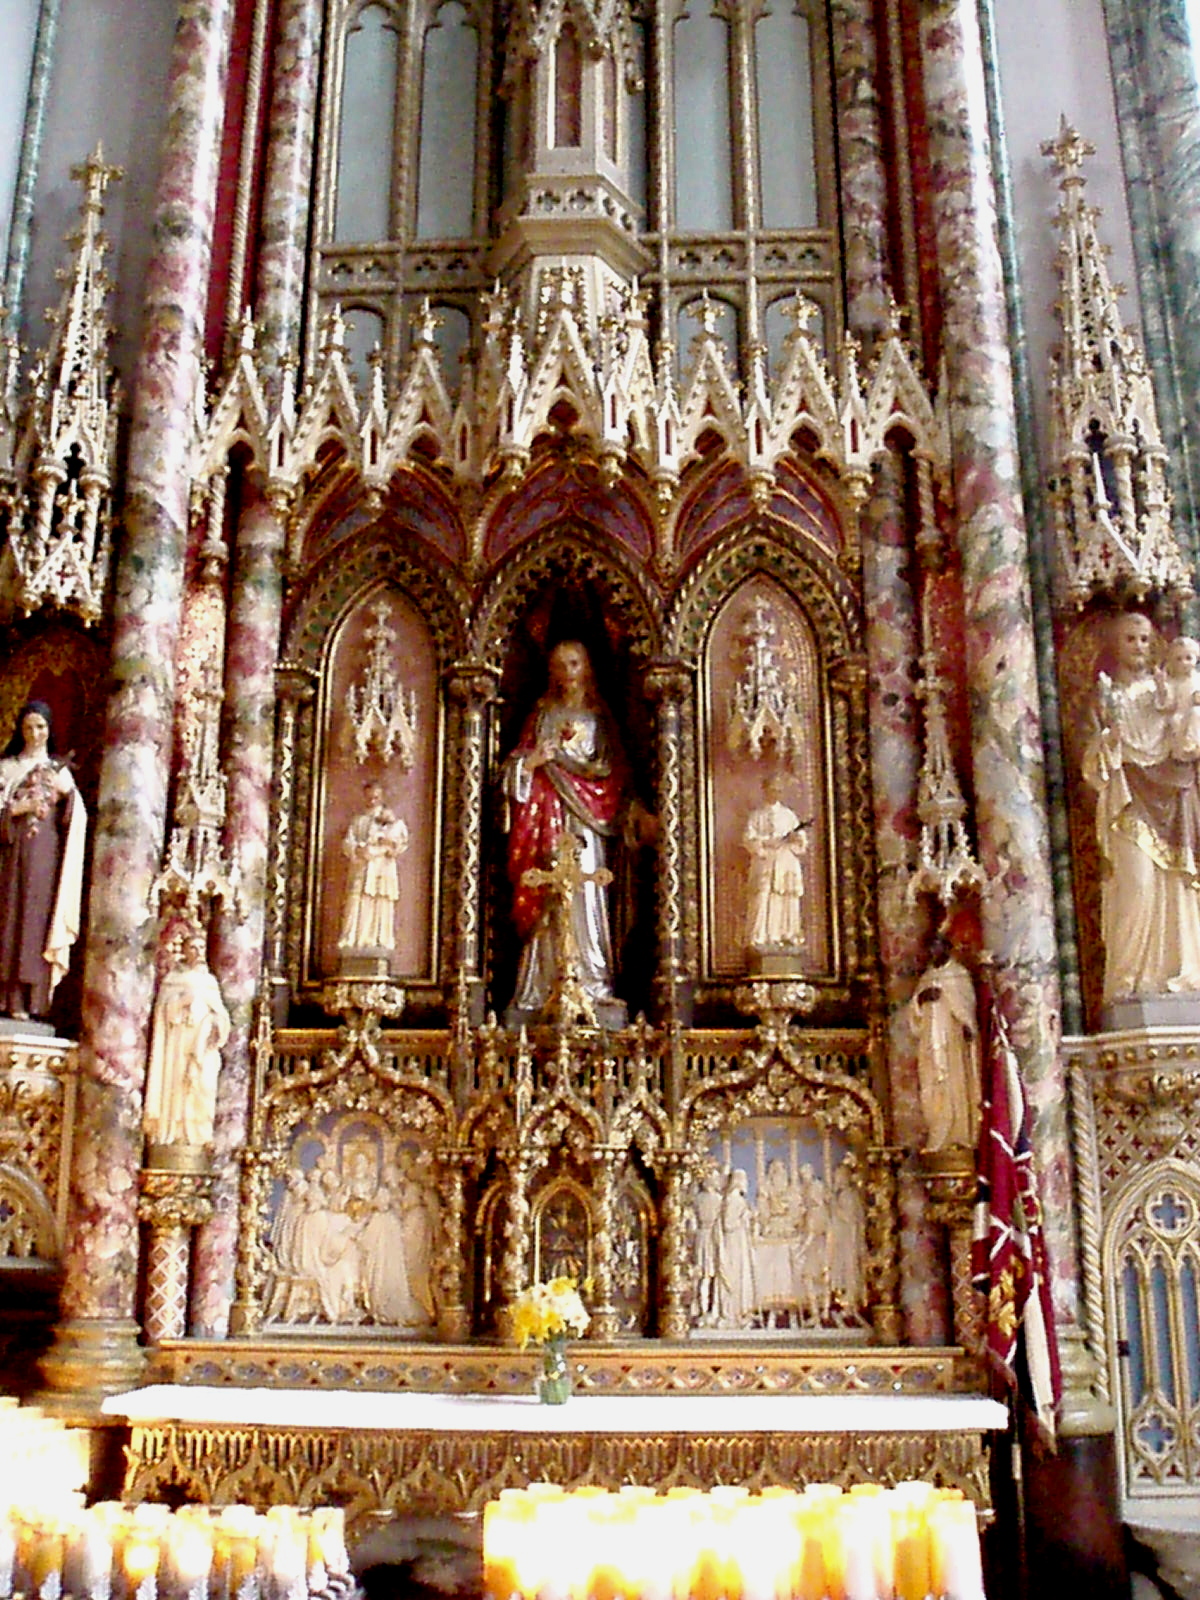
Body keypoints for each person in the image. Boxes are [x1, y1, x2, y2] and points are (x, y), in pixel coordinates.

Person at [503, 640, 630, 1016]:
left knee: (587, 896)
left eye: (573, 663)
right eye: (559, 665)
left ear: (586, 668)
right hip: (548, 817)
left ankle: (593, 983)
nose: (566, 672)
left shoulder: (599, 717)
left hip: (587, 822)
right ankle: (540, 987)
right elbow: (516, 764)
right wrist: (531, 764)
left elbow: (613, 774)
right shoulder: (541, 714)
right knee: (547, 895)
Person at [1081, 612, 1200, 1003]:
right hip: (1128, 795)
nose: (1139, 647)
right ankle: (1127, 981)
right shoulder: (1104, 695)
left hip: (1173, 793)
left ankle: (1181, 974)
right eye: (1130, 639)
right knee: (1136, 886)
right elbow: (1089, 762)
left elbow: (1188, 742)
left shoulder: (1170, 691)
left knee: (1177, 886)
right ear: (1114, 645)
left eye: (1146, 639)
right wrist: (1108, 742)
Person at [0, 702, 86, 1021]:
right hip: (8, 857)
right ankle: (6, 997)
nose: (35, 734)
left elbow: (76, 819)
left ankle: (31, 1000)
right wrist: (18, 809)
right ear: (20, 730)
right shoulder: (7, 768)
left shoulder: (58, 770)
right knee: (8, 920)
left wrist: (68, 798)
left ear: (49, 731)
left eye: (41, 727)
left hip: (44, 857)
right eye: (29, 727)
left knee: (35, 924)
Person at [142, 925, 232, 1148]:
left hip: (203, 1049)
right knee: (177, 1088)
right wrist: (181, 1003)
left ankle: (198, 1137)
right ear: (184, 950)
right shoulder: (173, 980)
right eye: (194, 947)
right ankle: (172, 1131)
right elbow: (163, 1015)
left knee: (203, 1088)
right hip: (177, 1045)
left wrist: (215, 1027)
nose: (199, 951)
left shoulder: (210, 982)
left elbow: (221, 1015)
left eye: (202, 947)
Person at [908, 944, 982, 1152]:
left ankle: (961, 1135)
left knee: (955, 1086)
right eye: (930, 949)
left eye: (936, 948)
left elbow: (967, 1005)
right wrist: (922, 999)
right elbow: (913, 1016)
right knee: (933, 1087)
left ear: (946, 949)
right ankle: (938, 1135)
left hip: (953, 1042)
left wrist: (967, 1025)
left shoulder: (958, 974)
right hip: (930, 1043)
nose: (932, 952)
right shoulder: (927, 977)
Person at [741, 774, 811, 954]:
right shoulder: (757, 816)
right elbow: (748, 839)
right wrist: (765, 842)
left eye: (779, 790)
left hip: (786, 862)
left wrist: (795, 839)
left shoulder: (789, 815)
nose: (776, 793)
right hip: (765, 862)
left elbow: (801, 842)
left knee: (786, 898)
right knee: (763, 897)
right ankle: (760, 937)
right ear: (765, 790)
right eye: (772, 789)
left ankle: (787, 935)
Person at [337, 781, 410, 954]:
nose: (372, 801)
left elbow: (399, 843)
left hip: (382, 869)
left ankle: (380, 940)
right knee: (356, 902)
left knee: (381, 902)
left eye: (376, 797)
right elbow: (348, 841)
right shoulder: (358, 821)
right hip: (361, 867)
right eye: (369, 797)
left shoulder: (393, 822)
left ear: (381, 798)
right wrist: (357, 849)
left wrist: (385, 846)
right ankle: (353, 940)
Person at [1157, 635, 1200, 761]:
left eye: (1188, 658)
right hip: (1180, 716)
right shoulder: (1172, 683)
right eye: (1178, 659)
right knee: (1174, 721)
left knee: (1196, 713)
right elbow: (1166, 704)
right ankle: (1182, 752)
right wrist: (1161, 688)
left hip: (1196, 718)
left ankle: (1192, 745)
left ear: (1196, 658)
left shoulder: (1198, 679)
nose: (1184, 663)